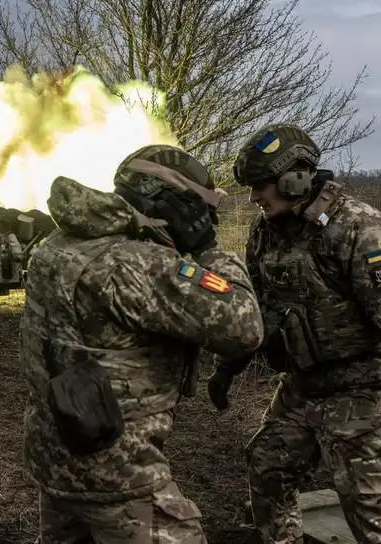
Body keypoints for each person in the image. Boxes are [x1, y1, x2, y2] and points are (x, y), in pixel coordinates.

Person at [20, 144, 265, 544]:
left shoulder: (59, 244)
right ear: (168, 200)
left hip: (55, 455)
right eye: (200, 208)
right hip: (117, 472)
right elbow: (244, 326)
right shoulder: (138, 264)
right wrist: (207, 248)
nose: (207, 218)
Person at [207, 123, 381, 544]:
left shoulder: (358, 228)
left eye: (259, 187)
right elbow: (256, 311)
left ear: (294, 177)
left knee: (368, 509)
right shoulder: (265, 232)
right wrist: (227, 369)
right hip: (301, 387)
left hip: (362, 391)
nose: (254, 199)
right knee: (267, 467)